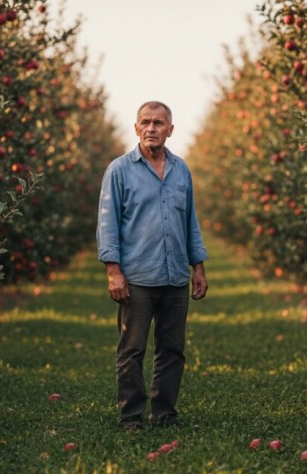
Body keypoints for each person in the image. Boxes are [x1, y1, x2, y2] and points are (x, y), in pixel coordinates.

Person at [96, 101, 208, 431]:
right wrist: (113, 271)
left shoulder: (181, 169)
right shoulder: (119, 170)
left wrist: (197, 266)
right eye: (145, 122)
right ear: (135, 128)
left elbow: (190, 221)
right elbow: (107, 223)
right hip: (138, 276)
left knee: (172, 349)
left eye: (159, 123)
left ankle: (165, 414)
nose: (151, 128)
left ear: (170, 130)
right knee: (132, 349)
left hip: (174, 275)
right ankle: (131, 417)